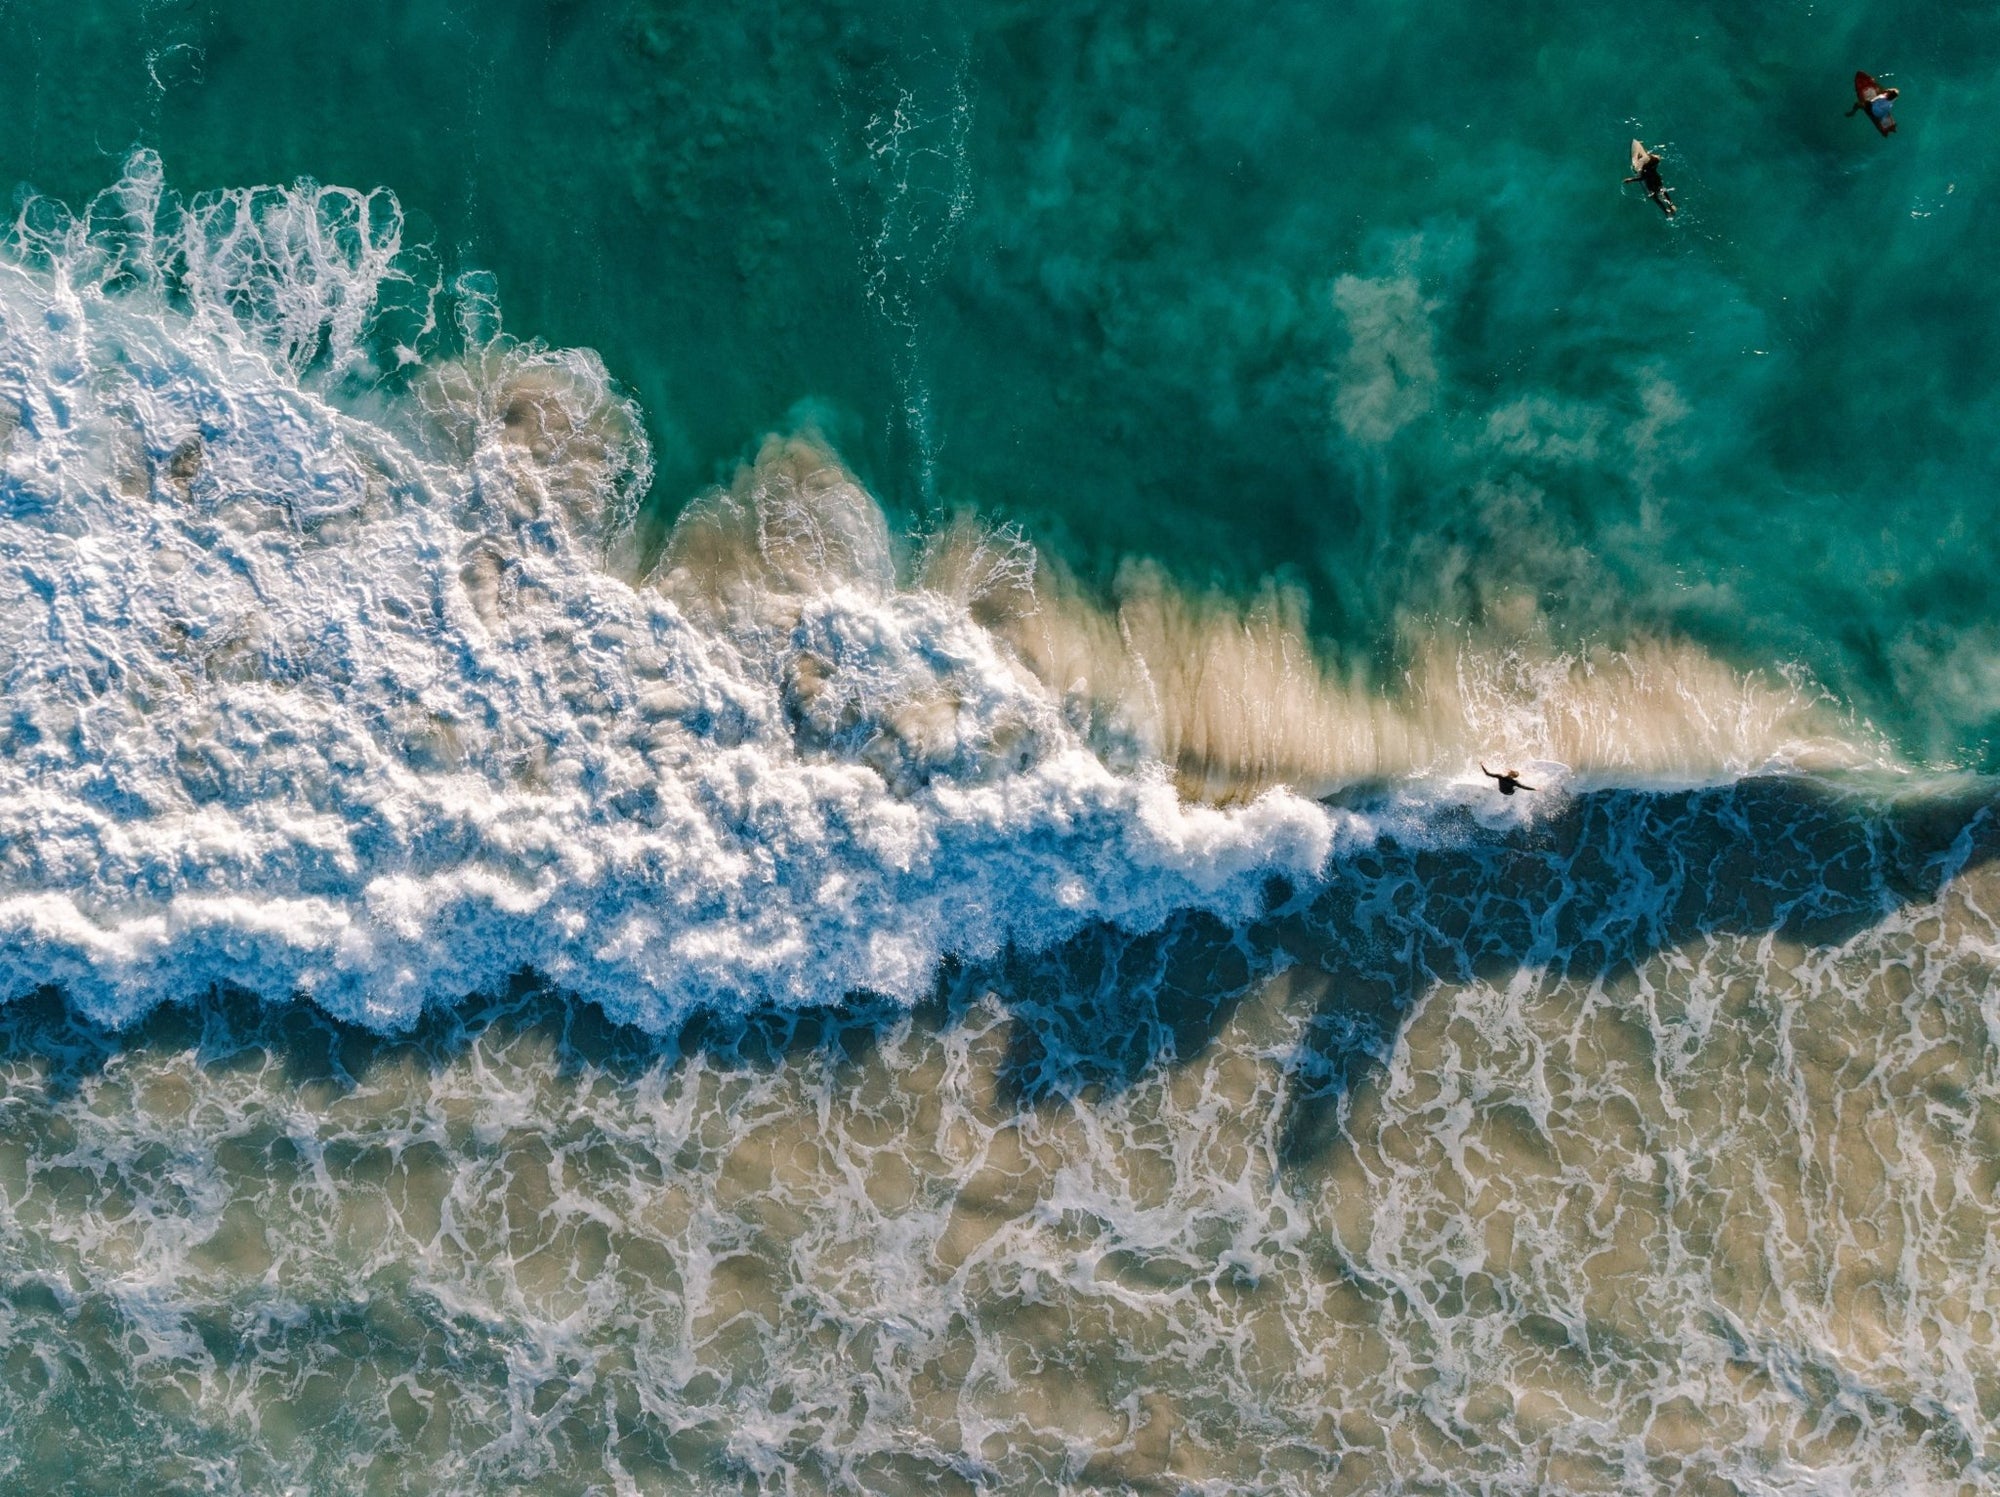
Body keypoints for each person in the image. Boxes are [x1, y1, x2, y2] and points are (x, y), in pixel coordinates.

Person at [1625, 148, 1678, 217]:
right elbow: (1656, 157)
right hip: (1657, 178)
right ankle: (1671, 204)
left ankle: (1666, 211)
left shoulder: (1645, 170)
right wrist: (1645, 152)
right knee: (1662, 190)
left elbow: (1641, 178)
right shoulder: (1655, 164)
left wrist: (1630, 180)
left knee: (1655, 196)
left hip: (1650, 183)